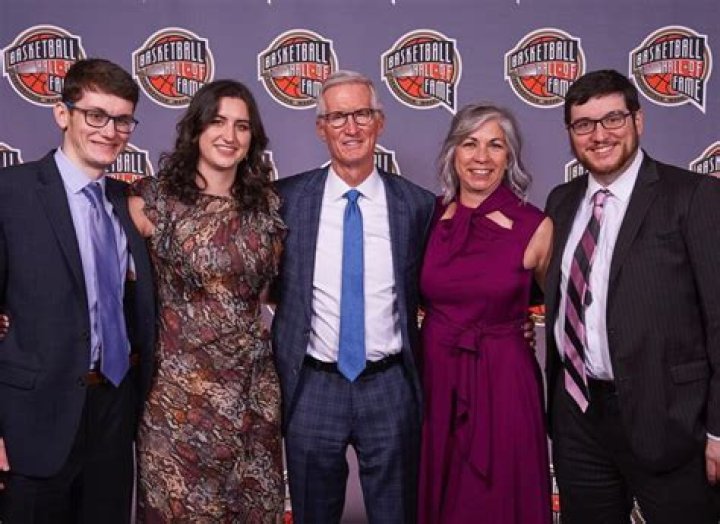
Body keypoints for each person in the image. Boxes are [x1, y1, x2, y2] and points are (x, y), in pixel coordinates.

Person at [544, 69, 720, 523]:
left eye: (613, 119)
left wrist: (719, 431)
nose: (599, 135)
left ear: (638, 120)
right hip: (579, 415)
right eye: (584, 124)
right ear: (570, 134)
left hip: (670, 417)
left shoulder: (693, 195)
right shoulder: (561, 201)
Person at [271, 70, 436, 523]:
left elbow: (442, 286)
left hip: (389, 385)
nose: (351, 127)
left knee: (397, 513)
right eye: (338, 116)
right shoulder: (285, 200)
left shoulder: (417, 205)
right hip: (313, 385)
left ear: (380, 121)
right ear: (320, 127)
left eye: (362, 114)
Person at [0, 58, 156, 523]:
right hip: (33, 420)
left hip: (114, 411)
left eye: (122, 120)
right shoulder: (11, 193)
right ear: (62, 113)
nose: (110, 131)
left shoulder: (128, 202)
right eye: (96, 115)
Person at [128, 79, 285, 522]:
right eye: (218, 121)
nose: (229, 135)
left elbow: (281, 288)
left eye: (241, 126)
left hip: (253, 396)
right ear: (196, 128)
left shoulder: (268, 208)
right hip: (178, 399)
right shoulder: (153, 202)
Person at [417, 103, 553, 523]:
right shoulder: (427, 217)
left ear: (509, 156)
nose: (481, 157)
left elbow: (564, 308)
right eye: (470, 143)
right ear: (452, 152)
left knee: (499, 499)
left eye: (495, 145)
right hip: (436, 379)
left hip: (503, 382)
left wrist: (518, 325)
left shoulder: (535, 226)